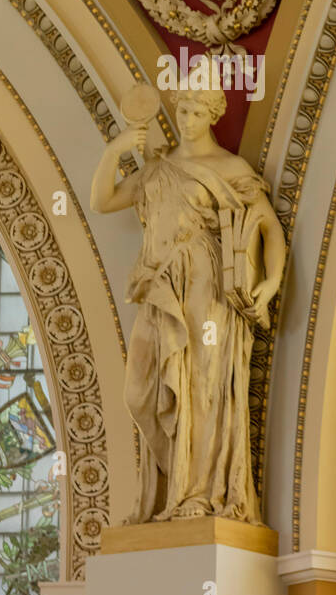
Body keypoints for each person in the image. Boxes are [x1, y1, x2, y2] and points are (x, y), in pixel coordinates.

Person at [90, 79, 286, 524]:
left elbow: (268, 228)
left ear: (215, 113)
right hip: (160, 288)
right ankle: (170, 487)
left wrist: (271, 282)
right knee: (139, 391)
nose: (188, 118)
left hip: (206, 283)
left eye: (198, 111)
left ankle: (196, 493)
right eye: (183, 109)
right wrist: (115, 149)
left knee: (201, 381)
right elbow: (102, 200)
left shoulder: (229, 167)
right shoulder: (159, 168)